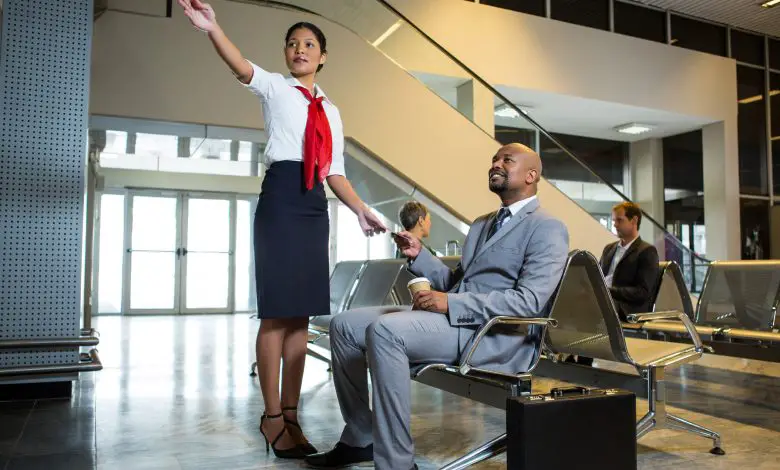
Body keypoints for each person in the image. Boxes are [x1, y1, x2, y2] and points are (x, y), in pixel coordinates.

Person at [177, 0, 387, 459]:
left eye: (309, 43)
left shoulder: (331, 110)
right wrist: (212, 28)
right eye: (292, 43)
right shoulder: (275, 87)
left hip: (315, 203)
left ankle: (292, 416)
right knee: (276, 313)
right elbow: (238, 61)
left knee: (301, 315)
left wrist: (359, 210)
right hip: (280, 198)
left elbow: (335, 171)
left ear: (323, 55)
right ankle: (272, 417)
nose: (299, 49)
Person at [305, 143, 569, 470]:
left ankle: (397, 464)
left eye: (507, 160)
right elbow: (455, 281)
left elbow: (529, 302)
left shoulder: (547, 227)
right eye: (494, 159)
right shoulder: (482, 224)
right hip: (456, 320)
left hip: (494, 335)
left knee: (385, 331)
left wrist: (451, 302)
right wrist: (420, 255)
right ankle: (361, 437)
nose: (496, 164)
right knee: (344, 326)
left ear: (532, 175)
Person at [600, 201, 660, 320]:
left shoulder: (647, 251)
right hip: (605, 303)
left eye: (620, 220)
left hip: (625, 310)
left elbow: (643, 292)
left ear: (634, 221)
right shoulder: (609, 249)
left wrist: (609, 291)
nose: (615, 225)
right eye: (614, 221)